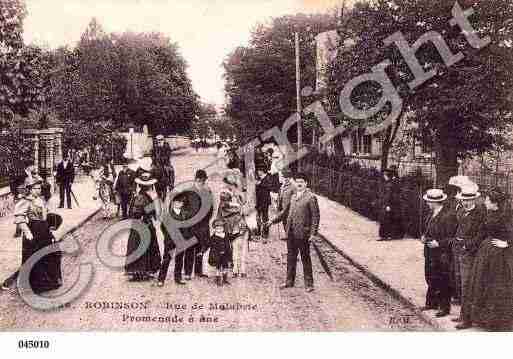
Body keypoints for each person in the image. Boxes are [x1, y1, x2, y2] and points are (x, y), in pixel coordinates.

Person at [1, 177, 63, 293]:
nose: (39, 190)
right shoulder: (25, 201)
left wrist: (51, 223)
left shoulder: (40, 200)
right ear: (29, 189)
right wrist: (27, 231)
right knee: (34, 257)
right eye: (36, 188)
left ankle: (49, 282)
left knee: (51, 254)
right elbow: (19, 218)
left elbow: (46, 214)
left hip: (44, 231)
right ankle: (36, 285)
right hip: (33, 231)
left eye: (39, 188)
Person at [467, 188, 513, 331]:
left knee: (496, 286)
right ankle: (484, 320)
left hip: (499, 256)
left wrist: (507, 243)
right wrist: (468, 245)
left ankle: (497, 322)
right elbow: (482, 232)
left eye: (487, 199)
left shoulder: (506, 216)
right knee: (482, 284)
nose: (485, 201)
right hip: (486, 252)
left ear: (495, 203)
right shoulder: (489, 213)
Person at [268, 172, 320, 292]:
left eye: (302, 182)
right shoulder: (293, 196)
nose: (299, 184)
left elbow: (315, 217)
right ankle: (289, 281)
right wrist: (272, 221)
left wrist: (313, 234)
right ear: (295, 183)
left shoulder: (311, 198)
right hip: (291, 232)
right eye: (297, 182)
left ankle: (309, 284)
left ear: (306, 183)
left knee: (305, 258)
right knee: (291, 257)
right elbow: (285, 212)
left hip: (303, 234)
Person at [452, 183, 487, 329]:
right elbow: (458, 228)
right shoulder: (460, 211)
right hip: (458, 251)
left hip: (470, 253)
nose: (466, 203)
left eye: (469, 200)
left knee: (467, 285)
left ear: (474, 200)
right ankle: (462, 314)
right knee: (459, 281)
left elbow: (481, 235)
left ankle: (467, 319)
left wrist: (467, 245)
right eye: (463, 200)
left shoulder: (480, 214)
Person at [420, 189, 457, 318]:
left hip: (442, 253)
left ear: (435, 202)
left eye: (429, 201)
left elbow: (452, 238)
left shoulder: (448, 216)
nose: (427, 203)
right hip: (429, 251)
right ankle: (431, 303)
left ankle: (444, 307)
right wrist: (424, 237)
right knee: (430, 276)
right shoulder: (432, 213)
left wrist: (439, 243)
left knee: (443, 279)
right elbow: (428, 229)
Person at [125, 171, 162, 282]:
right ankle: (140, 271)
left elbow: (156, 214)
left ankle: (144, 271)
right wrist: (155, 199)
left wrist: (155, 199)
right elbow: (157, 214)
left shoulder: (143, 196)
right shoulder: (142, 198)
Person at [181, 169, 214, 279]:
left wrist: (206, 220)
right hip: (191, 225)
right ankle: (187, 272)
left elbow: (211, 208)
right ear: (196, 180)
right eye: (200, 181)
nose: (202, 183)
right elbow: (183, 209)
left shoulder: (207, 192)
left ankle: (198, 272)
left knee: (201, 247)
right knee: (190, 248)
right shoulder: (188, 192)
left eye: (203, 181)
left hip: (202, 225)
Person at [217, 174, 249, 278]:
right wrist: (239, 207)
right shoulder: (227, 195)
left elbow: (246, 209)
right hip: (236, 224)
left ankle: (239, 269)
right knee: (237, 246)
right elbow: (224, 208)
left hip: (236, 225)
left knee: (238, 246)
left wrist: (239, 208)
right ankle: (237, 268)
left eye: (229, 185)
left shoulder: (236, 195)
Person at [157, 192, 191, 286]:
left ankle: (178, 278)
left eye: (180, 202)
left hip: (181, 240)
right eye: (176, 202)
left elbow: (188, 227)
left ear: (182, 203)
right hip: (170, 240)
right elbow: (163, 227)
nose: (178, 204)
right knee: (166, 259)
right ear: (173, 203)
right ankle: (161, 279)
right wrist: (168, 237)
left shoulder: (185, 214)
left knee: (179, 259)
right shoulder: (168, 215)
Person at [378, 168, 403, 240]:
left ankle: (386, 235)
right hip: (386, 204)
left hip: (388, 205)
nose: (384, 177)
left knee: (386, 220)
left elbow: (390, 196)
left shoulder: (390, 184)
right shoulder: (389, 183)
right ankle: (386, 235)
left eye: (385, 175)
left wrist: (388, 205)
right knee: (386, 219)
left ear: (387, 176)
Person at [207, 219, 234, 286]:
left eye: (220, 228)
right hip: (217, 255)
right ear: (215, 229)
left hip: (225, 254)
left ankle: (225, 279)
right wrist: (202, 251)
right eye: (217, 228)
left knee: (225, 267)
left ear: (223, 228)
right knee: (218, 268)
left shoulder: (226, 235)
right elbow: (208, 245)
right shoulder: (213, 237)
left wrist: (239, 233)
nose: (219, 229)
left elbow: (232, 238)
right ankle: (218, 279)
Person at [255, 167, 275, 243]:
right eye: (258, 170)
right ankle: (258, 232)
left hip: (265, 201)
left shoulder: (268, 177)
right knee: (258, 217)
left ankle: (265, 233)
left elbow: (270, 187)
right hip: (259, 201)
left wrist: (260, 184)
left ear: (263, 171)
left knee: (265, 217)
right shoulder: (258, 178)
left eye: (259, 170)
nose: (258, 172)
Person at [277, 169, 296, 241]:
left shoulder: (293, 186)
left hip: (289, 209)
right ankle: (287, 235)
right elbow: (280, 195)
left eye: (283, 176)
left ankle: (291, 238)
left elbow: (295, 197)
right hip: (282, 207)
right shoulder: (283, 185)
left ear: (288, 177)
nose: (281, 178)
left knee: (289, 224)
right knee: (284, 222)